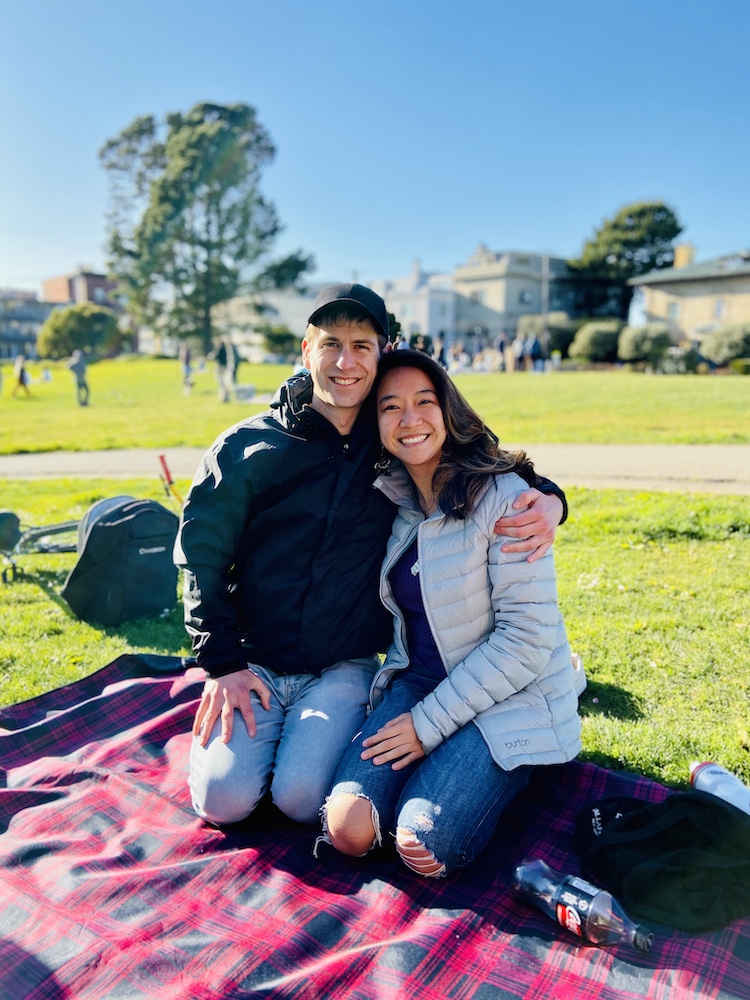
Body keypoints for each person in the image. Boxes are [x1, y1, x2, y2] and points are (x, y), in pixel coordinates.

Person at [174, 283, 567, 829]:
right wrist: (222, 666)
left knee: (301, 800)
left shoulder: (390, 435)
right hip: (254, 661)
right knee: (223, 802)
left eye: (362, 344)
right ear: (306, 349)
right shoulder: (246, 448)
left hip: (342, 665)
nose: (345, 360)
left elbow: (480, 457)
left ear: (384, 351)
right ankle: (244, 756)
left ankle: (296, 755)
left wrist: (550, 498)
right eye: (331, 343)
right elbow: (200, 558)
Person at [321, 349, 583, 878]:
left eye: (424, 402)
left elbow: (526, 642)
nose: (410, 419)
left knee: (422, 843)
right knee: (349, 828)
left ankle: (532, 742)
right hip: (421, 681)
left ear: (449, 410)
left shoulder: (508, 500)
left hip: (511, 694)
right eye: (390, 407)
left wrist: (427, 727)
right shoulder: (390, 501)